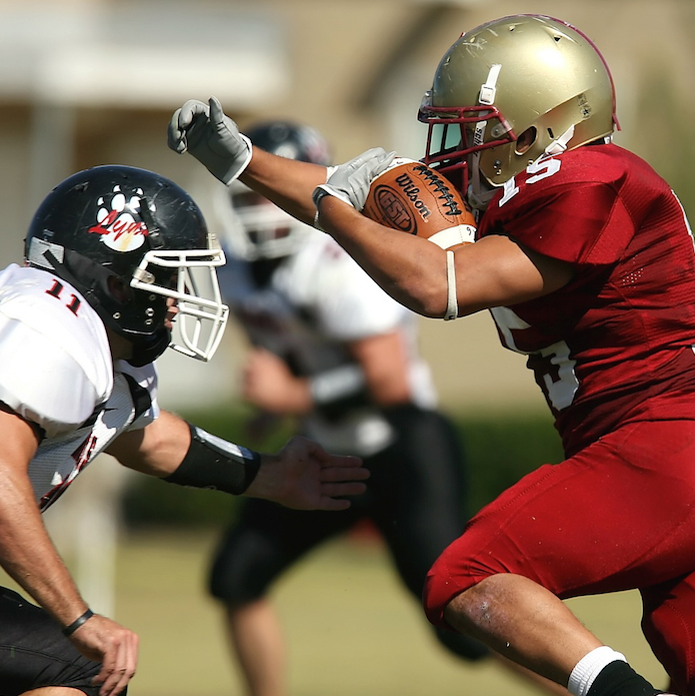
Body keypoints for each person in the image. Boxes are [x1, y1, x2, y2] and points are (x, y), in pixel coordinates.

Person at [167, 12, 695, 696]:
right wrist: (241, 162)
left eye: (474, 131)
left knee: (467, 575)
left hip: (661, 441)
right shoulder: (523, 188)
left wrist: (336, 209)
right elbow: (344, 185)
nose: (453, 150)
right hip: (644, 443)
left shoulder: (593, 180)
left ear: (537, 125)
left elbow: (437, 283)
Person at [0, 163, 370, 696]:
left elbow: (142, 436)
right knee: (82, 666)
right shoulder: (47, 330)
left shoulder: (82, 334)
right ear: (112, 280)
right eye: (167, 276)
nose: (178, 298)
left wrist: (269, 475)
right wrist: (79, 618)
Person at [205, 119, 495, 696]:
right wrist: (277, 405)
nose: (262, 210)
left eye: (270, 192)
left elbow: (387, 384)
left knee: (462, 619)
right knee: (237, 576)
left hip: (401, 447)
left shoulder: (340, 259)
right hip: (329, 450)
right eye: (250, 195)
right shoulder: (239, 272)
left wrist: (289, 396)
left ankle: (591, 686)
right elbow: (289, 354)